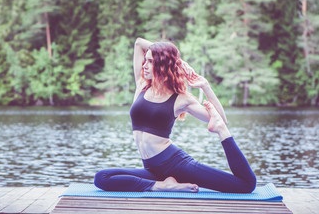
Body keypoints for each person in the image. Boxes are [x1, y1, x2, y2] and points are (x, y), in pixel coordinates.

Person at [94, 37, 256, 193]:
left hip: (176, 165)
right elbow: (139, 43)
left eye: (150, 61)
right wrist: (178, 61)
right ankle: (161, 186)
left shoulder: (180, 99)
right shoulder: (142, 85)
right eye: (146, 60)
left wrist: (205, 86)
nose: (144, 65)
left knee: (246, 185)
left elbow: (221, 118)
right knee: (102, 177)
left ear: (162, 64)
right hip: (152, 169)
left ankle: (164, 185)